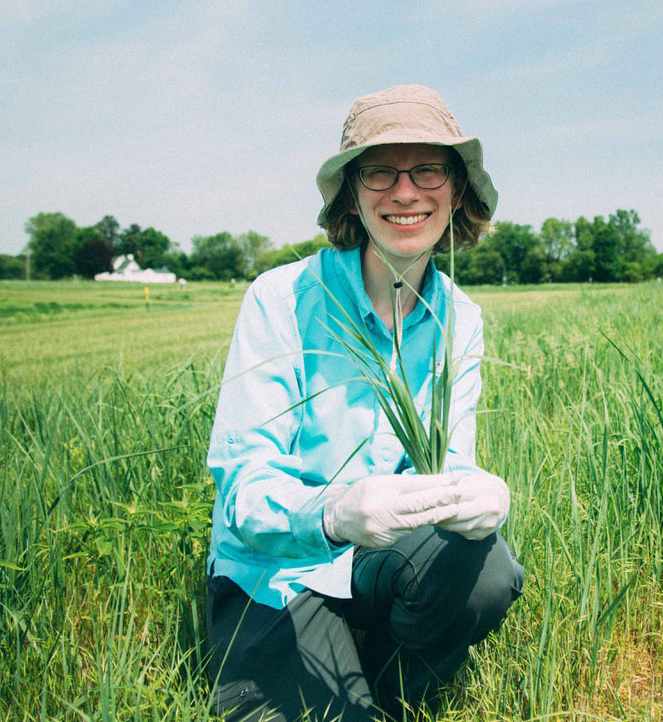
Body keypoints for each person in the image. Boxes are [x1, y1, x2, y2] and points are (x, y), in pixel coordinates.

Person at [205, 85, 524, 722]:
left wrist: (482, 499)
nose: (405, 192)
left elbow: (448, 468)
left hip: (379, 559)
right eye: (380, 170)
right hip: (279, 568)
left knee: (488, 568)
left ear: (456, 189)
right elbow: (242, 491)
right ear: (352, 192)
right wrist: (336, 513)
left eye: (429, 167)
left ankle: (393, 666)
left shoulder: (461, 316)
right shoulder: (281, 298)